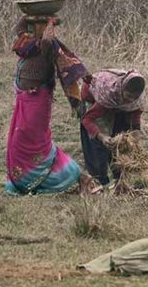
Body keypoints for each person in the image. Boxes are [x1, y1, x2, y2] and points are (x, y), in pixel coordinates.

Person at [6, 14, 88, 195]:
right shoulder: (27, 44)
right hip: (23, 99)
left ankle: (73, 174)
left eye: (39, 27)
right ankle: (25, 181)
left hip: (38, 100)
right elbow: (19, 28)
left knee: (34, 141)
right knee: (17, 140)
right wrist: (29, 15)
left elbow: (48, 39)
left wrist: (50, 22)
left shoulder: (47, 46)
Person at [78, 68, 147, 190]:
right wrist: (102, 136)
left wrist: (135, 135)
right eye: (129, 96)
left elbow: (135, 117)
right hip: (94, 99)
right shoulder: (107, 92)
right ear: (123, 89)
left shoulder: (137, 100)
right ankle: (99, 182)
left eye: (133, 98)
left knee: (121, 140)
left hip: (116, 103)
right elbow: (87, 120)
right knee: (98, 144)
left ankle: (119, 181)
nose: (130, 100)